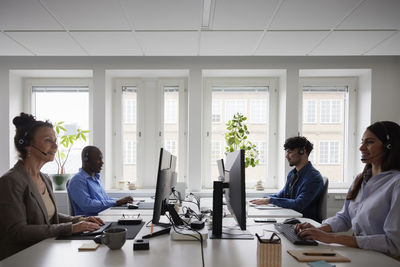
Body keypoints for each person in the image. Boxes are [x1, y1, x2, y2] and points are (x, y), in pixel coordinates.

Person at [0, 113, 103, 260]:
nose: (55, 146)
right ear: (27, 145)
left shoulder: (45, 178)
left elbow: (49, 217)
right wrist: (70, 228)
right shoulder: (10, 181)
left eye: (55, 141)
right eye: (48, 140)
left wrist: (79, 220)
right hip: (21, 258)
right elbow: (18, 231)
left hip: (44, 252)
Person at [295, 121, 400, 259]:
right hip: (362, 253)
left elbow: (393, 243)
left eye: (369, 142)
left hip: (384, 259)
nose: (361, 147)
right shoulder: (360, 179)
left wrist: (331, 238)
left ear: (389, 146)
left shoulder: (396, 183)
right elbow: (345, 218)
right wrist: (316, 230)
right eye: (362, 142)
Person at [250, 136, 324, 221]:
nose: (286, 156)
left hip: (303, 223)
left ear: (302, 151)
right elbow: (282, 195)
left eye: (290, 152)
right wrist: (263, 199)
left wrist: (270, 200)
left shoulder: (313, 178)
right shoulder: (292, 174)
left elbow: (298, 205)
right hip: (290, 218)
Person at [67, 145, 133, 216]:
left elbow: (105, 200)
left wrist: (122, 201)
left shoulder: (95, 178)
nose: (102, 163)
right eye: (99, 159)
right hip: (90, 223)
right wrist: (117, 202)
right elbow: (88, 206)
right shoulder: (77, 180)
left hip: (103, 218)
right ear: (86, 160)